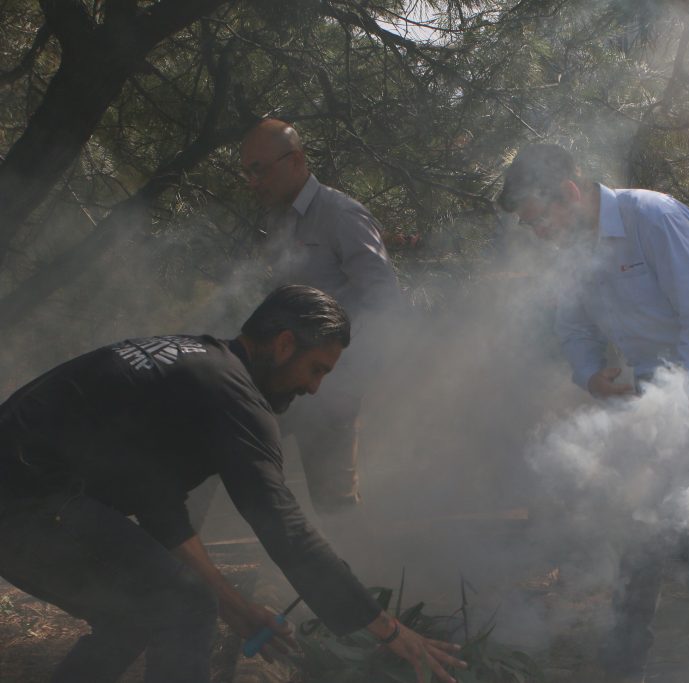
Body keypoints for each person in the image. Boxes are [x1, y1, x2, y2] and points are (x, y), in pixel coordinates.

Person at [0, 285, 464, 683]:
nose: (315, 388)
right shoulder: (234, 396)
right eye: (317, 369)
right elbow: (283, 526)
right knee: (183, 606)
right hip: (30, 502)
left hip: (26, 500)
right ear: (285, 345)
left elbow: (159, 507)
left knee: (134, 615)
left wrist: (235, 606)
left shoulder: (196, 365)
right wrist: (388, 629)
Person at [498, 145, 689, 683]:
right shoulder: (570, 247)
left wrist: (681, 413)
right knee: (640, 525)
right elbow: (573, 326)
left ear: (569, 193)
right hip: (651, 384)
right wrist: (590, 373)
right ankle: (623, 669)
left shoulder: (654, 217)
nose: (538, 233)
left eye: (537, 220)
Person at [240, 118, 402, 516]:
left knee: (335, 501)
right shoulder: (279, 218)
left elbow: (384, 299)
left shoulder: (341, 214)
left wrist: (348, 379)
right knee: (231, 445)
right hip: (282, 379)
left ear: (294, 160)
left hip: (328, 385)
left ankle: (359, 574)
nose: (252, 182)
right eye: (247, 172)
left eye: (259, 169)